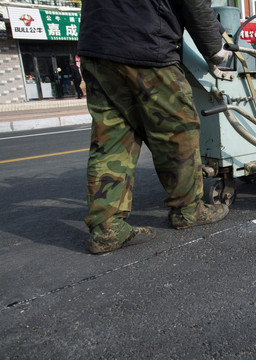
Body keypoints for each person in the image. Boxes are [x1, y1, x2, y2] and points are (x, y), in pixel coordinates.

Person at [78, 0, 230, 254]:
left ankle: (106, 228)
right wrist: (215, 48)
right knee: (177, 131)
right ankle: (189, 210)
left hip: (97, 48)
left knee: (112, 137)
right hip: (145, 44)